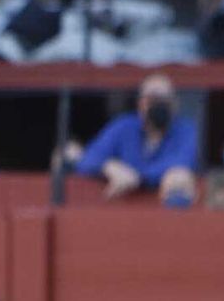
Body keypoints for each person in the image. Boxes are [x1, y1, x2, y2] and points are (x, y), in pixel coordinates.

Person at [73, 74, 198, 207]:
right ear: (140, 103)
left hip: (163, 213)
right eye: (153, 99)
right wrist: (107, 166)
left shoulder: (186, 130)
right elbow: (87, 158)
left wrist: (136, 177)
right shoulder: (123, 126)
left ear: (175, 104)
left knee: (179, 176)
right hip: (120, 209)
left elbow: (182, 163)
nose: (159, 105)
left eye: (165, 100)